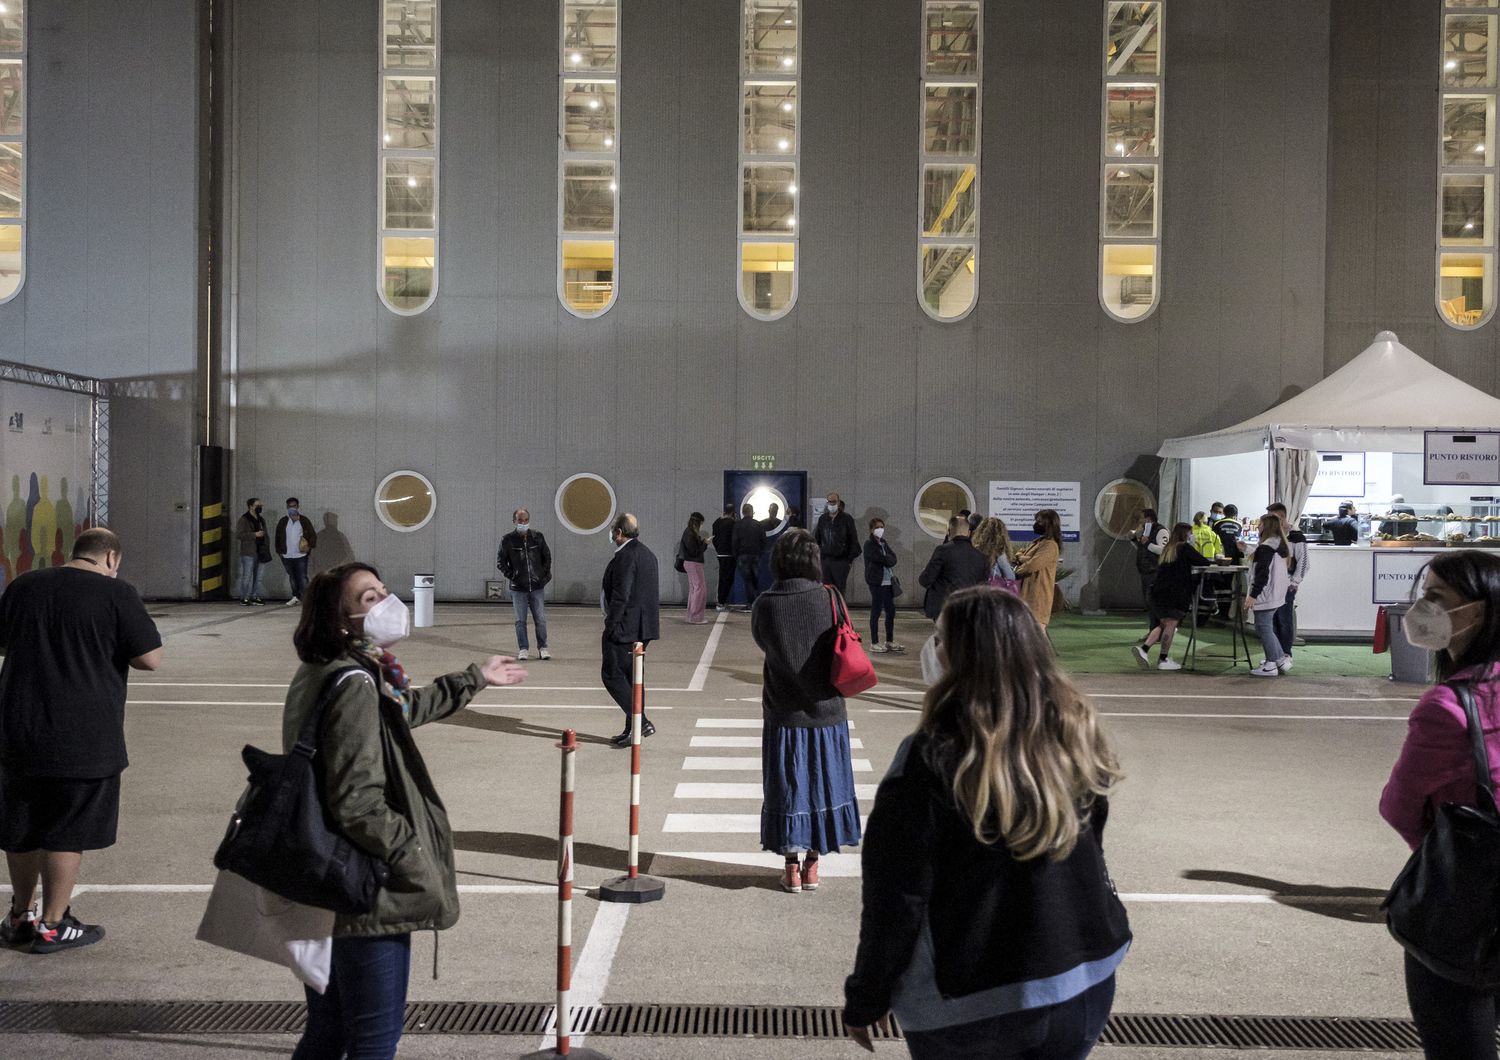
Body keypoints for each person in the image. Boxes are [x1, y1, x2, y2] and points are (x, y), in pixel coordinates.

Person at [844, 586, 1130, 1058]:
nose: (932, 650)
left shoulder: (928, 758)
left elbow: (895, 898)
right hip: (1083, 980)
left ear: (963, 657)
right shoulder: (1075, 734)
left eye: (939, 640)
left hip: (972, 1001)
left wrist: (867, 995)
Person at [281, 561, 526, 1060]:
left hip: (321, 876)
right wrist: (413, 857)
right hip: (363, 890)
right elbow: (357, 800)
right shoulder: (355, 683)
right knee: (373, 1042)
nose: (387, 602)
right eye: (368, 598)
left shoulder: (334, 670)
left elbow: (402, 710)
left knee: (327, 1034)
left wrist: (473, 678)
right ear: (342, 620)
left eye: (382, 589)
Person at [0, 529, 162, 954]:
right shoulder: (117, 594)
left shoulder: (23, 586)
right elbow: (150, 658)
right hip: (83, 734)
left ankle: (20, 916)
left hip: (17, 727)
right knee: (66, 828)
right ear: (110, 557)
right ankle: (53, 925)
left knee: (21, 826)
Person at [1379, 550, 1500, 1060]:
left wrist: (1449, 849)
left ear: (1478, 612)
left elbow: (1400, 806)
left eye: (1435, 598)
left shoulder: (1447, 707)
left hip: (1466, 917)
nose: (1421, 609)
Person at [751, 529, 863, 893]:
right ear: (814, 560)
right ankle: (814, 864)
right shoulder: (830, 597)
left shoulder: (765, 603)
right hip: (828, 712)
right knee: (824, 785)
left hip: (784, 713)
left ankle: (791, 867)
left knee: (788, 786)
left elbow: (762, 643)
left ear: (778, 561)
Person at [601, 513, 661, 746]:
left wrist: (611, 624)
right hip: (644, 627)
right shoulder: (648, 554)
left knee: (612, 675)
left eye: (613, 529)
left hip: (625, 627)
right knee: (634, 679)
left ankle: (641, 721)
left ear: (619, 532)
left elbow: (621, 595)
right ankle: (632, 729)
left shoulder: (625, 556)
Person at [1133, 523, 1208, 672]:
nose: (1191, 536)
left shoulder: (1168, 548)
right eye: (1190, 534)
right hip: (1174, 593)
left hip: (1157, 592)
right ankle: (1163, 658)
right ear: (1185, 535)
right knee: (1171, 624)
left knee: (1163, 624)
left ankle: (1144, 649)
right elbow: (1203, 562)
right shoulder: (1185, 548)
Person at [496, 508, 552, 661]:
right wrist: (513, 576)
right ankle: (523, 648)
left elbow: (547, 558)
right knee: (520, 620)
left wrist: (543, 577)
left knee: (540, 619)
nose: (523, 523)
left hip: (537, 587)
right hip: (518, 588)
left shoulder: (538, 537)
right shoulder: (507, 540)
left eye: (526, 520)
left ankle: (543, 647)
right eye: (520, 520)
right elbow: (501, 562)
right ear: (514, 521)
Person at [1244, 514, 1292, 677]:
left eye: (1260, 524)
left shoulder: (1266, 547)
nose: (1258, 527)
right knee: (1265, 627)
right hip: (1276, 593)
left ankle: (1271, 663)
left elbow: (1262, 573)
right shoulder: (1278, 544)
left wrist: (1253, 595)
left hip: (1266, 593)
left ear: (1267, 526)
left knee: (1263, 627)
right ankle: (1279, 658)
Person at [918, 516, 989, 621]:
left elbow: (926, 579)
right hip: (969, 608)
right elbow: (983, 585)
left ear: (949, 531)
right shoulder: (981, 556)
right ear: (969, 533)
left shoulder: (942, 550)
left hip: (945, 607)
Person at [1267, 503, 1309, 668]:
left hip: (1287, 585)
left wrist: (1295, 581)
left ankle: (1286, 654)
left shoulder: (1296, 536)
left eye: (1272, 517)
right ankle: (1275, 655)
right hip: (1272, 584)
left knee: (1284, 619)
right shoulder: (1272, 535)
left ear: (1281, 517)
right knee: (1272, 620)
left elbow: (1304, 562)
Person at [1015, 509, 1063, 629]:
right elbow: (1020, 553)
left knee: (1037, 638)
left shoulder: (1050, 545)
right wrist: (1024, 558)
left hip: (1038, 598)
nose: (1036, 524)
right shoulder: (1039, 542)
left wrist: (1017, 570)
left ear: (1047, 524)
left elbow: (1033, 565)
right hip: (1028, 596)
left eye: (1039, 522)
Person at [863, 517, 903, 654]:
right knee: (876, 611)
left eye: (882, 527)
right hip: (876, 582)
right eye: (877, 527)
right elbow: (879, 559)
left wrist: (887, 560)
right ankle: (874, 642)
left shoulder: (884, 543)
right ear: (871, 529)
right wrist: (887, 560)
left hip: (888, 582)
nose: (880, 530)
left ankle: (889, 641)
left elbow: (893, 558)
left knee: (890, 611)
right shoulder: (869, 544)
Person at [815, 492, 861, 595]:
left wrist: (848, 561)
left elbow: (853, 540)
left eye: (834, 502)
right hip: (826, 561)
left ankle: (839, 610)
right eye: (829, 502)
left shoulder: (846, 519)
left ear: (839, 502)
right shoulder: (822, 519)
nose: (831, 504)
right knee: (826, 590)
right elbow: (817, 539)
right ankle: (828, 611)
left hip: (841, 561)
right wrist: (820, 557)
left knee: (839, 591)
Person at [1132, 508, 1169, 632]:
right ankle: (1154, 631)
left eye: (1141, 518)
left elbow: (1164, 550)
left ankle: (1161, 630)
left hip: (1155, 571)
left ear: (1148, 518)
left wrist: (1147, 544)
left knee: (1153, 603)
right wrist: (1134, 540)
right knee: (1149, 604)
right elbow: (1143, 549)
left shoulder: (1161, 531)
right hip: (1145, 571)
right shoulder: (1146, 531)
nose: (1140, 520)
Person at [275, 498, 318, 605]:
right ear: (287, 507)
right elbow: (277, 536)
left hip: (300, 554)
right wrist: (279, 551)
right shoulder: (283, 521)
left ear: (298, 506)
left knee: (302, 576)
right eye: (290, 506)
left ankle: (307, 598)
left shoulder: (303, 520)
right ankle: (295, 596)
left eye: (294, 506)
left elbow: (312, 535)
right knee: (292, 577)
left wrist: (309, 547)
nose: (292, 508)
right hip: (287, 554)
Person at [235, 497, 270, 606]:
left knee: (258, 577)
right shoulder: (244, 519)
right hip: (249, 552)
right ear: (251, 506)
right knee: (247, 576)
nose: (260, 507)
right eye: (258, 505)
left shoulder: (261, 519)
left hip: (261, 551)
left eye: (261, 506)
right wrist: (254, 535)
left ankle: (254, 596)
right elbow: (239, 535)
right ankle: (245, 597)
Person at [732, 503, 767, 610]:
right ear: (752, 512)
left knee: (747, 580)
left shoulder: (738, 525)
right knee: (755, 578)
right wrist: (760, 552)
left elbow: (735, 541)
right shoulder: (758, 524)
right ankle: (756, 601)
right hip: (755, 554)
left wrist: (735, 555)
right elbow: (763, 541)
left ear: (743, 512)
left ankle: (751, 602)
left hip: (743, 555)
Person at [681, 512, 710, 624]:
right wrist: (705, 544)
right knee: (699, 589)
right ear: (698, 522)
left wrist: (702, 542)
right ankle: (696, 616)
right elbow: (694, 551)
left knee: (694, 589)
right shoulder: (691, 533)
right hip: (694, 563)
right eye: (701, 523)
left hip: (690, 563)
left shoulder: (689, 532)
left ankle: (691, 615)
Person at [971, 516, 1018, 585]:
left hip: (976, 589)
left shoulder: (974, 548)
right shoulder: (999, 552)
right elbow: (1010, 577)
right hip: (993, 591)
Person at [712, 504, 737, 612]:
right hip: (729, 554)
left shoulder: (717, 522)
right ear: (733, 512)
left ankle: (720, 601)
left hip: (720, 553)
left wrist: (718, 549)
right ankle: (721, 602)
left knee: (722, 577)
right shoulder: (733, 523)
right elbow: (735, 538)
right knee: (728, 579)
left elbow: (714, 539)